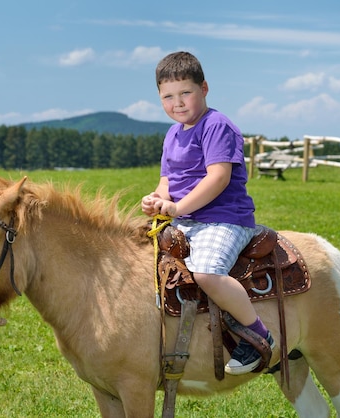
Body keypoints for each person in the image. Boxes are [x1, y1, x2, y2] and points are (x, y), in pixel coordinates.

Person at [141, 51, 274, 375]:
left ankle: (257, 333)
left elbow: (218, 178)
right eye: (168, 96)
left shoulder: (217, 125)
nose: (178, 103)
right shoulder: (173, 134)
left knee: (206, 272)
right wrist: (158, 199)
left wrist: (178, 208)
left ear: (204, 88)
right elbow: (167, 180)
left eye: (185, 92)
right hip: (185, 218)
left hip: (224, 219)